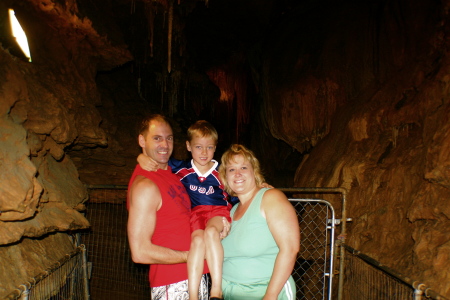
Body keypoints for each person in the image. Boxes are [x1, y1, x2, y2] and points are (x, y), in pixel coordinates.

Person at [128, 115, 224, 300]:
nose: (164, 144)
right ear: (142, 140)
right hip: (172, 283)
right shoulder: (145, 186)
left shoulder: (173, 174)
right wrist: (192, 255)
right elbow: (140, 252)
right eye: (157, 138)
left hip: (195, 277)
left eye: (169, 138)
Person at [218, 144, 300, 300]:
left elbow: (290, 249)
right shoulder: (232, 210)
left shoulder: (270, 198)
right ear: (225, 177)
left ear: (254, 172)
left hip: (265, 293)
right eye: (231, 169)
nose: (237, 174)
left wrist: (270, 295)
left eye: (243, 168)